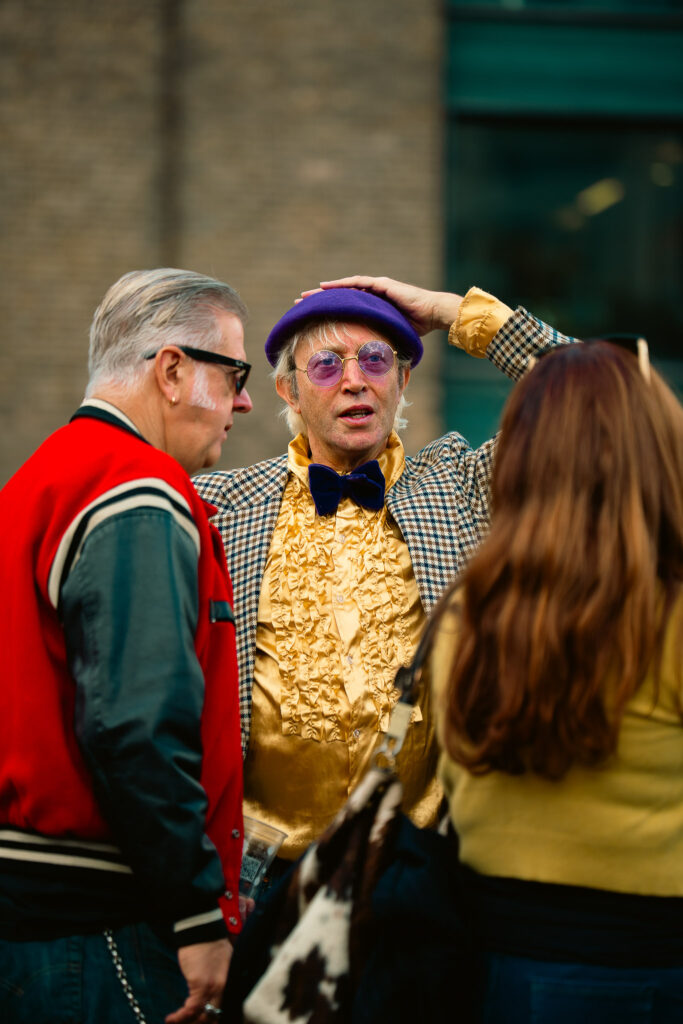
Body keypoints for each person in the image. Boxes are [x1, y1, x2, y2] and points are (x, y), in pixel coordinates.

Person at [193, 274, 574, 868]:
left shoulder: (460, 487)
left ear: (403, 379)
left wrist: (455, 313)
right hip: (257, 876)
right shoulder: (218, 507)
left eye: (375, 360)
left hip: (427, 865)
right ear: (289, 392)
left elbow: (598, 401)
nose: (354, 381)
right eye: (326, 366)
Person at [0, 268, 253, 1024]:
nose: (243, 402)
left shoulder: (40, 478)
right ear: (172, 371)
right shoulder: (133, 487)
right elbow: (136, 724)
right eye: (234, 375)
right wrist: (197, 912)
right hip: (96, 927)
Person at [428, 338, 683, 1020]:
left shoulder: (465, 611)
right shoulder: (669, 613)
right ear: (655, 450)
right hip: (655, 965)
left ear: (517, 461)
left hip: (491, 963)